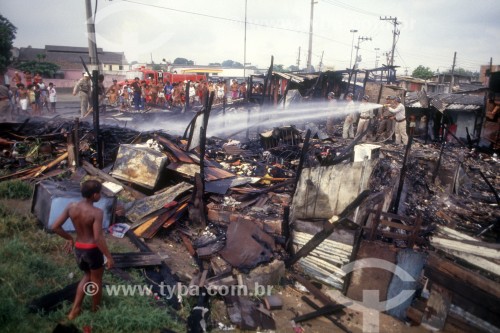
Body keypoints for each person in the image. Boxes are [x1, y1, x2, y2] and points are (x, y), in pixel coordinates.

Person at [51, 180, 114, 320]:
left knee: (87, 276)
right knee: (96, 280)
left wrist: (69, 238)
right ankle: (96, 310)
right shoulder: (97, 212)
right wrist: (108, 256)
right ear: (94, 195)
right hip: (92, 250)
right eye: (100, 193)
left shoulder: (71, 207)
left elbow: (55, 226)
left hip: (79, 249)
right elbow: (98, 238)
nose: (101, 195)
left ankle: (75, 310)